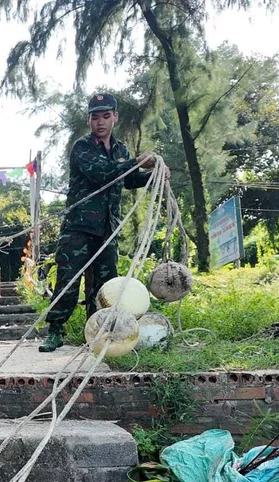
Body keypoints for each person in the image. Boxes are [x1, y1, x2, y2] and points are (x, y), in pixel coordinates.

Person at [39, 93, 166, 353]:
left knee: (105, 286)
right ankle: (55, 331)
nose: (101, 122)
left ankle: (97, 333)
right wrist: (137, 162)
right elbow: (101, 174)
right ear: (89, 120)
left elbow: (128, 180)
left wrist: (154, 175)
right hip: (78, 228)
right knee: (68, 281)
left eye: (106, 116)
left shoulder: (120, 150)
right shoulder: (82, 147)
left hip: (109, 229)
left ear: (115, 117)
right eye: (95, 117)